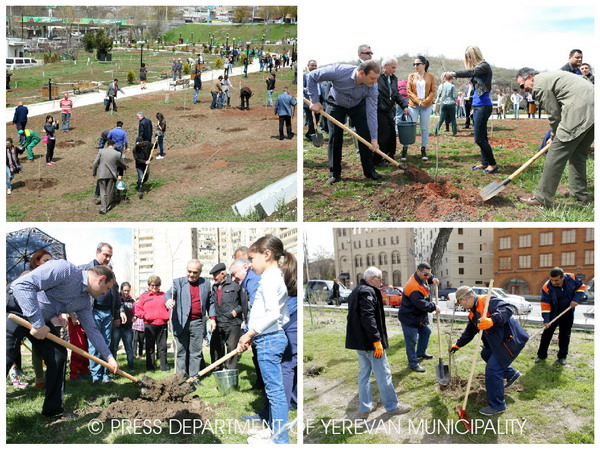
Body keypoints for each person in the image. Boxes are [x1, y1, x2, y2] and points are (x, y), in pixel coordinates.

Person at [8, 260, 118, 417]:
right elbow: (21, 286)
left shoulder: (85, 301)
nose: (105, 293)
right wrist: (37, 323)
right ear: (101, 279)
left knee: (58, 355)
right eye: (107, 288)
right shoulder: (65, 270)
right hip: (16, 309)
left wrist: (109, 357)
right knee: (7, 355)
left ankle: (53, 410)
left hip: (40, 320)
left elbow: (92, 330)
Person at [236, 236, 294, 444]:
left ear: (267, 254)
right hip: (268, 337)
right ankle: (273, 431)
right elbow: (283, 315)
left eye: (252, 258)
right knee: (272, 390)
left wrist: (250, 332)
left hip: (269, 340)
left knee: (275, 392)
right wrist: (257, 333)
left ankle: (280, 440)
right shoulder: (275, 276)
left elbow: (272, 315)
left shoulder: (269, 278)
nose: (250, 264)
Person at [515, 67, 594, 207]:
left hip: (580, 110)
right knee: (578, 154)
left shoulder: (540, 85)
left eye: (522, 85)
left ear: (529, 77)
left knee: (555, 153)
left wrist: (555, 135)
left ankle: (542, 197)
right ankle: (579, 193)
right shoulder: (550, 77)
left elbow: (554, 115)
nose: (523, 90)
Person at [450, 286, 529, 416]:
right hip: (499, 343)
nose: (462, 306)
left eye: (460, 304)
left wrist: (492, 320)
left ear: (463, 299)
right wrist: (458, 345)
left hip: (511, 341)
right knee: (485, 353)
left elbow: (508, 309)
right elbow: (469, 332)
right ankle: (511, 374)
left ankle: (498, 405)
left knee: (493, 370)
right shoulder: (473, 313)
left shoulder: (487, 301)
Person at [346, 266, 412, 419]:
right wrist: (377, 341)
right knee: (383, 374)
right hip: (370, 344)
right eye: (380, 279)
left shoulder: (356, 290)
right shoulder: (367, 292)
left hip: (360, 343)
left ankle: (365, 408)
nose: (382, 282)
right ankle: (392, 406)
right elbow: (368, 317)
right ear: (372, 278)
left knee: (364, 375)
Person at [306, 60, 382, 184]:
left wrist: (374, 138)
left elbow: (372, 113)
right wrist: (314, 100)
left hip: (357, 105)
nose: (375, 82)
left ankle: (369, 171)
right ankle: (334, 173)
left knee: (365, 135)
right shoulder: (339, 71)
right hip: (336, 103)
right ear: (362, 73)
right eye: (372, 78)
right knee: (335, 136)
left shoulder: (373, 87)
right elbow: (312, 76)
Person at [80, 243, 123, 384]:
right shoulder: (87, 269)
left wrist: (117, 314)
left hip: (108, 313)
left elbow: (116, 297)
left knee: (107, 343)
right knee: (95, 344)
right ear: (97, 252)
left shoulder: (111, 274)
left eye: (110, 256)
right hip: (93, 312)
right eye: (105, 255)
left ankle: (105, 374)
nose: (108, 258)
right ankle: (96, 376)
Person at [450, 46, 497, 173]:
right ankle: (485, 162)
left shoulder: (484, 66)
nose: (468, 59)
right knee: (483, 136)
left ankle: (492, 164)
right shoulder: (479, 68)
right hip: (478, 106)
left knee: (478, 138)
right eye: (466, 57)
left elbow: (471, 72)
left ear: (475, 54)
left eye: (469, 56)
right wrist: (473, 107)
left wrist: (454, 73)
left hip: (483, 106)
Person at [165, 260, 211, 379]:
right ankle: (180, 378)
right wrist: (168, 300)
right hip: (180, 322)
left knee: (196, 352)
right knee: (181, 352)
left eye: (194, 272)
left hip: (198, 323)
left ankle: (194, 378)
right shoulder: (178, 282)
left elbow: (210, 302)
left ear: (200, 272)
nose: (191, 274)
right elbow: (169, 294)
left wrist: (213, 318)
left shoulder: (206, 283)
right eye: (189, 271)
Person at [536, 268, 585, 365]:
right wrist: (546, 320)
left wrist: (576, 299)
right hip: (553, 314)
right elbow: (545, 305)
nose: (553, 282)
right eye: (552, 280)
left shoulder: (571, 278)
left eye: (556, 280)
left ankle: (562, 357)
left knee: (565, 335)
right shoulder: (547, 287)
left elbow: (582, 287)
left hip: (568, 312)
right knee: (546, 335)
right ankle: (541, 355)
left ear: (563, 277)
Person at [398, 263, 439, 372]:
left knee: (426, 332)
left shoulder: (422, 277)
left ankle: (420, 353)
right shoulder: (413, 286)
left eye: (428, 274)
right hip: (409, 317)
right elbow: (421, 304)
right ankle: (413, 363)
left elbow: (429, 277)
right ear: (418, 272)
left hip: (418, 316)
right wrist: (434, 306)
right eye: (425, 274)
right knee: (411, 341)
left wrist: (433, 279)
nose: (427, 276)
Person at [208, 263, 247, 371]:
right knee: (215, 347)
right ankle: (217, 370)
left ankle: (230, 372)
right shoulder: (214, 287)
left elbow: (243, 302)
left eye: (215, 275)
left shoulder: (235, 285)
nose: (213, 278)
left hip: (232, 323)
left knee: (231, 348)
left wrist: (237, 310)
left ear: (222, 274)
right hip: (219, 322)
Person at [375, 58, 408, 165]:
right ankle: (379, 158)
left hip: (389, 111)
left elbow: (396, 94)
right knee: (383, 134)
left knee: (392, 134)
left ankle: (390, 156)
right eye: (393, 67)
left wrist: (404, 106)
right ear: (385, 67)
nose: (395, 70)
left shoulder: (393, 79)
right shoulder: (377, 78)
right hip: (379, 111)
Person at [404, 55, 436, 162]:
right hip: (413, 104)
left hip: (426, 105)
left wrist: (425, 101)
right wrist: (418, 101)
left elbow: (433, 91)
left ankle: (423, 149)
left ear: (424, 65)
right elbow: (409, 91)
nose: (415, 66)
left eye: (417, 64)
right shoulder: (411, 76)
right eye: (414, 64)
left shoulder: (431, 76)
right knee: (410, 127)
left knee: (424, 128)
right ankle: (405, 148)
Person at [137, 276, 170, 372]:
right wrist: (145, 316)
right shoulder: (144, 296)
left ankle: (164, 367)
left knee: (163, 347)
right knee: (150, 347)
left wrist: (167, 315)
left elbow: (170, 307)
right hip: (149, 325)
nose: (155, 287)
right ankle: (150, 367)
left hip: (162, 324)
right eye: (152, 285)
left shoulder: (164, 295)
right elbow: (138, 309)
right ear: (148, 285)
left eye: (157, 285)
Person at [92, 139, 127, 214]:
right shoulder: (117, 153)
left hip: (101, 174)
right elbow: (122, 163)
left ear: (107, 145)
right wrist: (125, 167)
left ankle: (103, 209)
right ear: (114, 145)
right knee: (109, 192)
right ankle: (107, 207)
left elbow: (95, 163)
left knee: (102, 191)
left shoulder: (101, 151)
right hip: (111, 175)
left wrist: (94, 172)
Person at [111, 282, 135, 372]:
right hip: (117, 328)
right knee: (114, 348)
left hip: (127, 328)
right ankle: (112, 367)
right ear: (121, 290)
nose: (126, 292)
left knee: (129, 349)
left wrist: (134, 317)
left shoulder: (132, 301)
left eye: (128, 290)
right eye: (124, 290)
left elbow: (135, 312)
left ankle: (131, 367)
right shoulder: (117, 300)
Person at [303, 60, 321, 140]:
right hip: (308, 101)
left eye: (315, 66)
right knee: (311, 119)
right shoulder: (304, 75)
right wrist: (309, 90)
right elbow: (302, 87)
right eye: (312, 65)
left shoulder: (319, 76)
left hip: (318, 101)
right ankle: (313, 136)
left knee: (317, 118)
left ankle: (308, 133)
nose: (314, 67)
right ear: (308, 66)